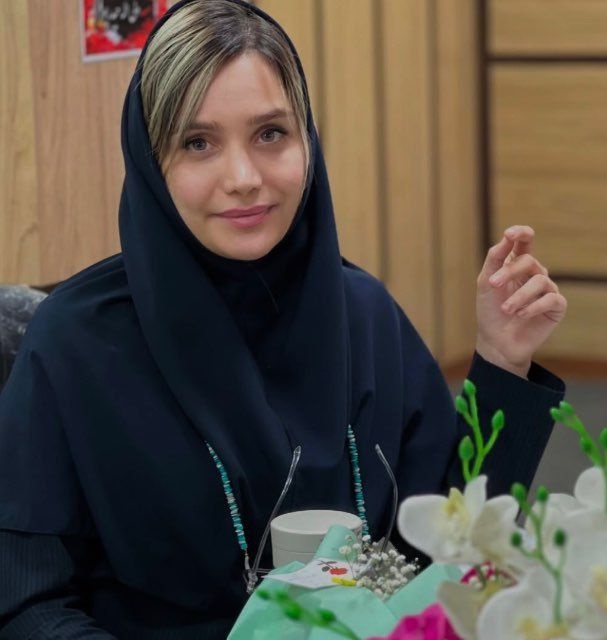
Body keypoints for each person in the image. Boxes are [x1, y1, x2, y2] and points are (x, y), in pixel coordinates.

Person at [0, 0, 567, 637]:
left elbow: (451, 550)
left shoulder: (365, 316)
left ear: (307, 141)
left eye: (270, 134)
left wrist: (503, 360)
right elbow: (26, 603)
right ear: (151, 161)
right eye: (197, 143)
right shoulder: (77, 344)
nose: (244, 177)